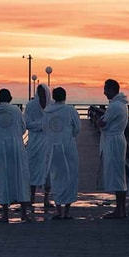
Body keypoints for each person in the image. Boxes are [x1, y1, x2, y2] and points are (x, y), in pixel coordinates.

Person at [0, 88, 32, 223]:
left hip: (0, 147)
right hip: (16, 147)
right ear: (11, 98)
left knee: (3, 178)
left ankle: (5, 215)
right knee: (21, 177)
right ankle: (24, 213)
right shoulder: (16, 111)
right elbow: (23, 127)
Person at [43, 87, 81, 219]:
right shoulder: (70, 110)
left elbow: (45, 128)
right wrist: (69, 136)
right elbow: (77, 128)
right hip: (68, 147)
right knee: (70, 176)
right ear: (65, 97)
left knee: (55, 176)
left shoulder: (47, 112)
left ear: (54, 97)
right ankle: (67, 211)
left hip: (52, 147)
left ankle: (58, 210)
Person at [98, 79, 129, 218]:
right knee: (119, 174)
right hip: (117, 139)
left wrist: (97, 121)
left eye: (106, 89)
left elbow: (102, 123)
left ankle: (119, 210)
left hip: (114, 141)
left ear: (111, 89)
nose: (104, 92)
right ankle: (121, 209)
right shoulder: (121, 104)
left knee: (117, 175)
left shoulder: (115, 106)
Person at [25, 83, 52, 211]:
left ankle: (46, 199)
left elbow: (54, 123)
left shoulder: (51, 106)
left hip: (48, 142)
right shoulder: (31, 105)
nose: (41, 95)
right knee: (33, 169)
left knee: (49, 171)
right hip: (35, 142)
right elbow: (27, 123)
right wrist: (42, 126)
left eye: (43, 92)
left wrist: (45, 126)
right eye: (39, 92)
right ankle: (31, 198)